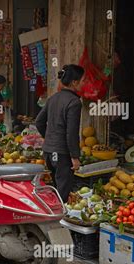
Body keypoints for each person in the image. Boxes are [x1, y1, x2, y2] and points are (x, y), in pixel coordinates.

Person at [35, 64, 85, 202]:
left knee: (56, 189)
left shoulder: (53, 98)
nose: (84, 83)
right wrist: (75, 157)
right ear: (74, 82)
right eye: (82, 80)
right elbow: (71, 133)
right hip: (62, 153)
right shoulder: (74, 102)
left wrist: (49, 138)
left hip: (49, 152)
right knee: (63, 191)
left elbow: (39, 122)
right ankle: (58, 220)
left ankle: (55, 215)